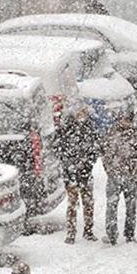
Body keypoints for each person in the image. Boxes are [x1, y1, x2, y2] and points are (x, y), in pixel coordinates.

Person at [55, 104, 103, 244]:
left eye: (84, 113)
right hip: (71, 173)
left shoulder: (90, 128)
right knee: (72, 204)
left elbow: (96, 148)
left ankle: (88, 230)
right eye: (79, 113)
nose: (82, 115)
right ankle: (71, 232)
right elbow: (59, 149)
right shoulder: (66, 129)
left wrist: (88, 162)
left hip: (86, 173)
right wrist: (70, 163)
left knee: (88, 203)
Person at [101, 110, 137, 245]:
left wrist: (136, 171)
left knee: (131, 207)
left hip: (130, 176)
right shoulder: (111, 132)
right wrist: (109, 169)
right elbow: (104, 152)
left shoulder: (136, 133)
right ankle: (111, 234)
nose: (127, 123)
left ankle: (130, 234)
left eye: (129, 120)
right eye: (125, 120)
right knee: (111, 206)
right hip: (114, 175)